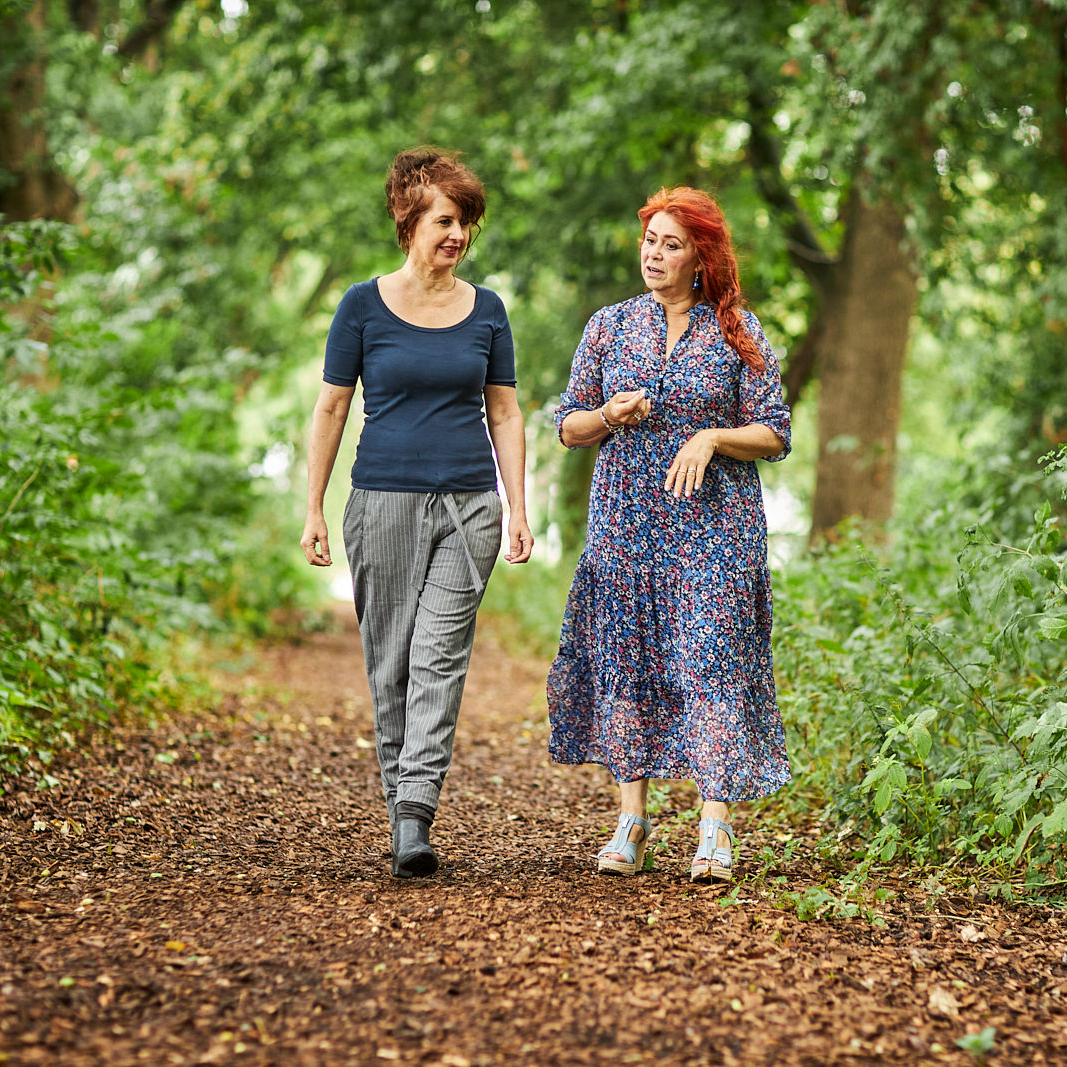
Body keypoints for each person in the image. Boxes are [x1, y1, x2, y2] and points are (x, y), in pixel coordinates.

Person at [547, 186, 792, 883]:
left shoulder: (739, 331)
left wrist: (712, 436)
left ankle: (715, 825)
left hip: (715, 527)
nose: (654, 255)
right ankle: (632, 819)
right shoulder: (610, 325)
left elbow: (775, 431)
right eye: (649, 241)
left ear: (700, 257)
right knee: (627, 660)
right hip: (626, 525)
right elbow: (568, 425)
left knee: (713, 660)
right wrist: (609, 414)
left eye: (671, 244)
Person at [301, 147, 532, 878]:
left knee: (439, 657)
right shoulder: (361, 306)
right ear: (408, 223)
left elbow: (506, 413)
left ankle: (414, 814)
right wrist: (313, 507)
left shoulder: (487, 311)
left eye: (464, 222)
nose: (457, 234)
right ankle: (401, 800)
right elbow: (331, 407)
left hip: (470, 507)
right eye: (443, 220)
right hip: (382, 503)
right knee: (392, 661)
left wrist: (518, 506)